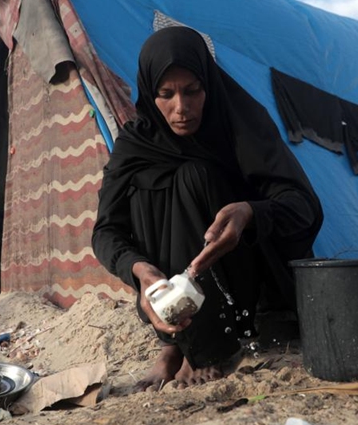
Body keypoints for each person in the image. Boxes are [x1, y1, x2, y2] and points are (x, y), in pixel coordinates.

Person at [92, 27, 323, 390]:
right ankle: (175, 343)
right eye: (165, 95)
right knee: (148, 183)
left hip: (248, 279)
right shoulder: (136, 143)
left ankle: (209, 345)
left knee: (194, 175)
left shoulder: (241, 124)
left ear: (209, 86)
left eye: (192, 91)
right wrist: (139, 271)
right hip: (170, 288)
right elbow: (106, 231)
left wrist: (249, 212)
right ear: (150, 94)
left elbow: (303, 206)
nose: (180, 108)